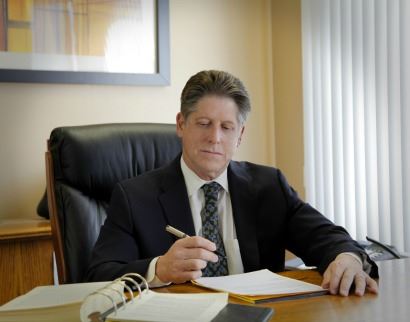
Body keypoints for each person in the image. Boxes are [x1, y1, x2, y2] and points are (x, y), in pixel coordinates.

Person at [86, 70, 378, 296]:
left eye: (226, 127)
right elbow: (98, 275)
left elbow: (326, 237)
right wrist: (158, 269)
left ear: (240, 135)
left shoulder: (268, 185)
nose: (215, 138)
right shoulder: (134, 196)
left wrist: (347, 258)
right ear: (180, 124)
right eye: (203, 124)